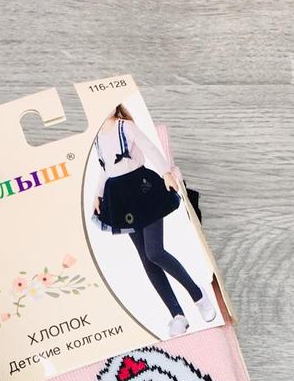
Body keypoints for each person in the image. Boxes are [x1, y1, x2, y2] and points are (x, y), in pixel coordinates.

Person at [91, 105, 216, 337]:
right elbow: (105, 168)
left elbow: (149, 148)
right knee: (146, 260)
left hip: (143, 191)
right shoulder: (97, 136)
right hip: (120, 198)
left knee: (155, 251)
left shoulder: (125, 126)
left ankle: (198, 295)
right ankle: (177, 315)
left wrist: (166, 172)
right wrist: (97, 194)